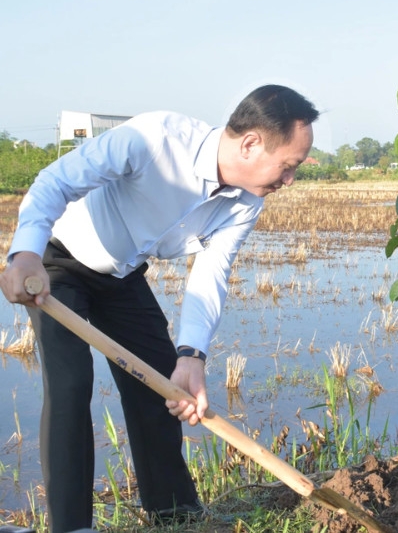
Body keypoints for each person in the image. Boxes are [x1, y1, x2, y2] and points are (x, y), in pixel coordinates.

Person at [0, 84, 319, 530]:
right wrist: (25, 252)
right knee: (71, 384)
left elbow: (211, 272)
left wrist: (192, 354)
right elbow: (56, 181)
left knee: (163, 385)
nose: (290, 180)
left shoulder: (246, 202)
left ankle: (174, 514)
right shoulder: (154, 138)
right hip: (58, 263)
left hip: (123, 275)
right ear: (251, 143)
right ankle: (72, 526)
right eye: (288, 166)